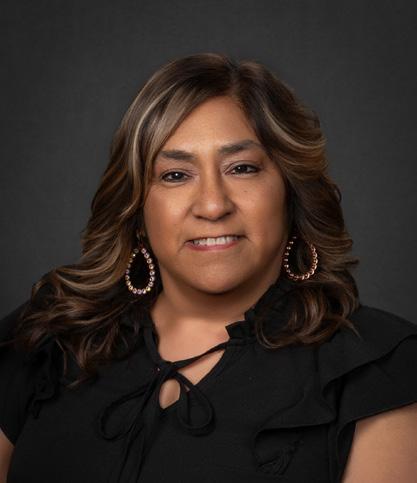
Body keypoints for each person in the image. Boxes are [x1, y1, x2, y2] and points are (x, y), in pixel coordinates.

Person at [0, 53, 416, 483]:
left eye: (242, 168)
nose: (213, 205)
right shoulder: (45, 335)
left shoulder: (377, 370)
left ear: (292, 193)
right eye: (175, 175)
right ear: (136, 207)